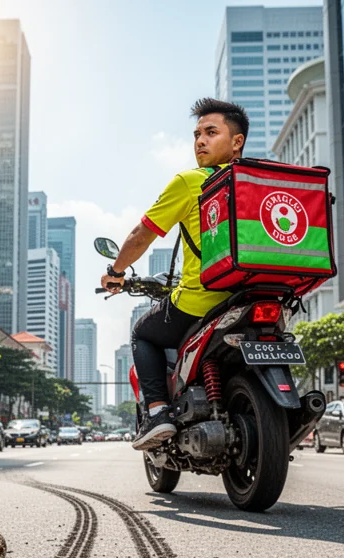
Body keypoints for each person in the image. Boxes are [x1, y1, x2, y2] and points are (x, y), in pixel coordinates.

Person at [100, 98, 247, 450]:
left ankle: (158, 412)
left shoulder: (190, 182)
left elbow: (141, 236)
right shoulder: (264, 181)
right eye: (197, 134)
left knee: (142, 333)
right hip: (262, 294)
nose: (200, 140)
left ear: (236, 141)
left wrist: (116, 272)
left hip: (203, 299)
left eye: (211, 132)